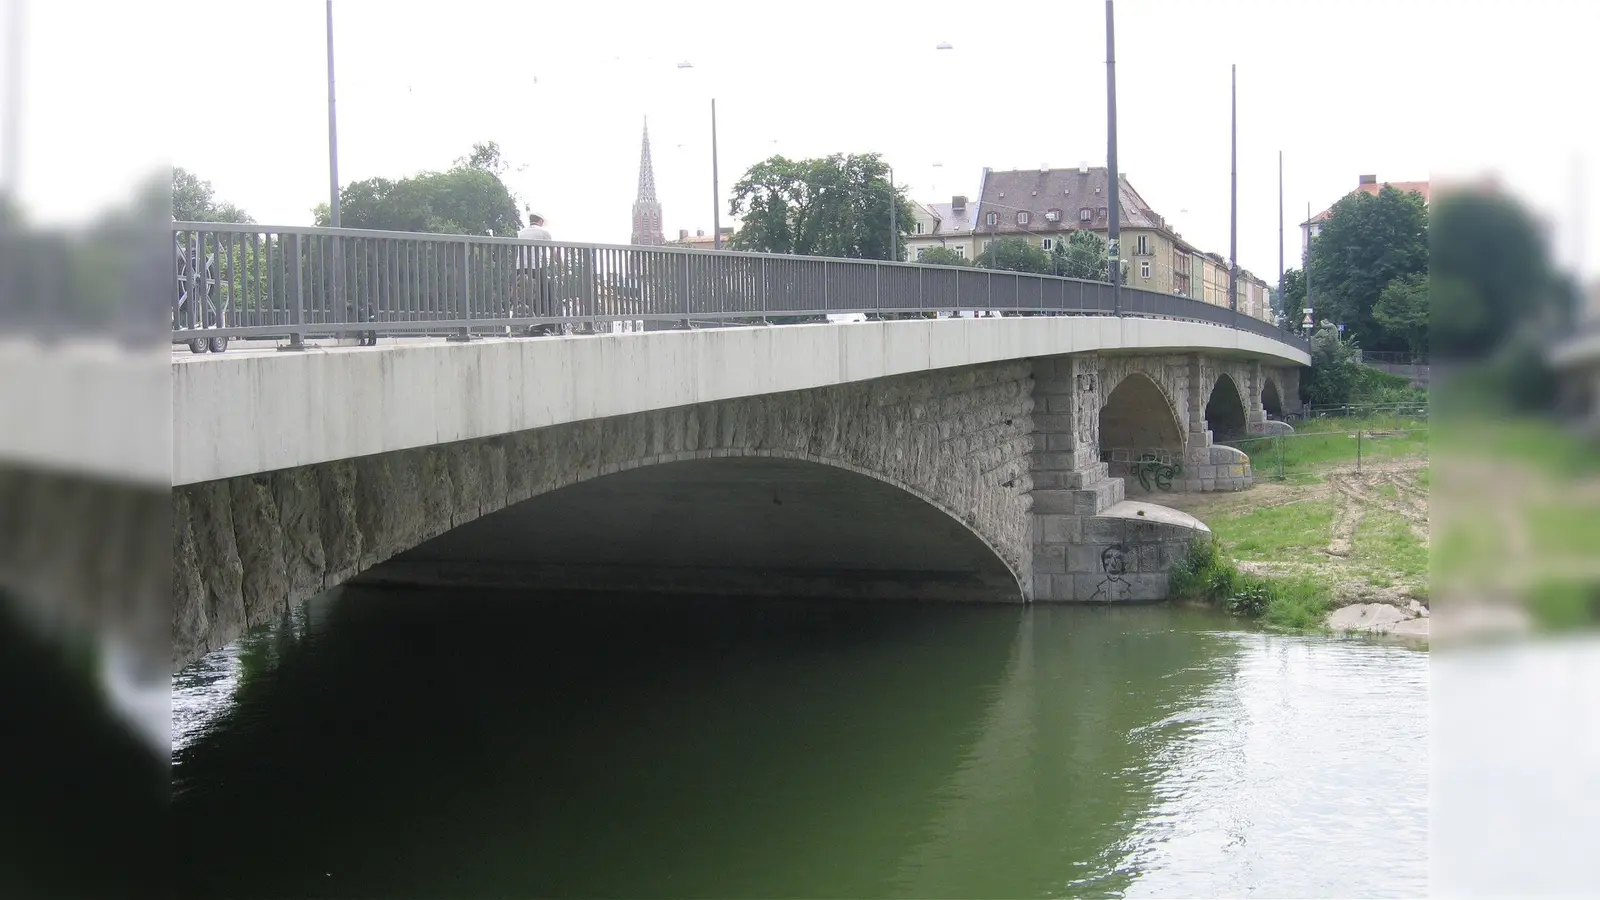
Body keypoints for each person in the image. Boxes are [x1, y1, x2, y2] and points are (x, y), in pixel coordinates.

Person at [514, 213, 560, 335]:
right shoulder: (543, 232)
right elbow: (553, 251)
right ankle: (548, 324)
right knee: (549, 292)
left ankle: (532, 320)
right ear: (540, 221)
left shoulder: (521, 232)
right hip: (534, 268)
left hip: (519, 268)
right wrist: (559, 264)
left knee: (532, 293)